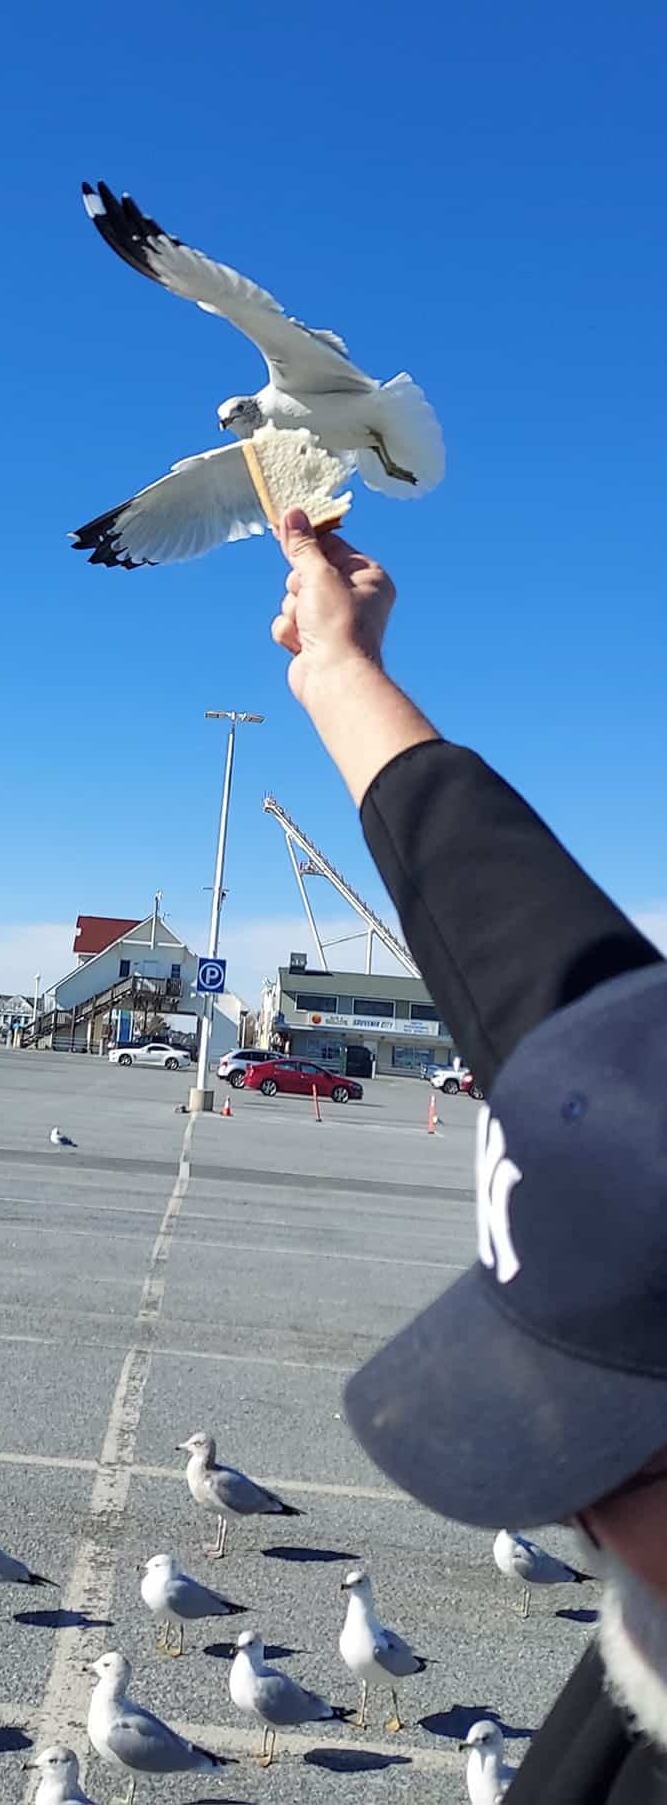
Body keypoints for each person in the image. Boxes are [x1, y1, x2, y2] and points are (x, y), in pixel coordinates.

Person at [271, 508, 666, 1805]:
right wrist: (339, 665)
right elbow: (507, 927)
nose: (576, 1517)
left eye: (626, 1451)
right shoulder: (628, 1098)